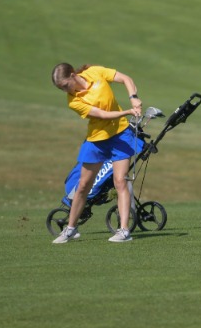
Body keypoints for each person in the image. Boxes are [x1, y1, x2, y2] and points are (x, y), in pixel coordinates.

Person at [51, 62, 143, 244]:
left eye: (65, 85)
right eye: (61, 89)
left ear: (72, 75)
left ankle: (124, 231)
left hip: (121, 135)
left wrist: (133, 97)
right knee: (83, 185)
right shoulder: (73, 101)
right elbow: (102, 115)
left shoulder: (94, 72)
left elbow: (126, 79)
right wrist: (127, 111)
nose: (65, 91)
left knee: (120, 181)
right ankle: (71, 229)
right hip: (96, 140)